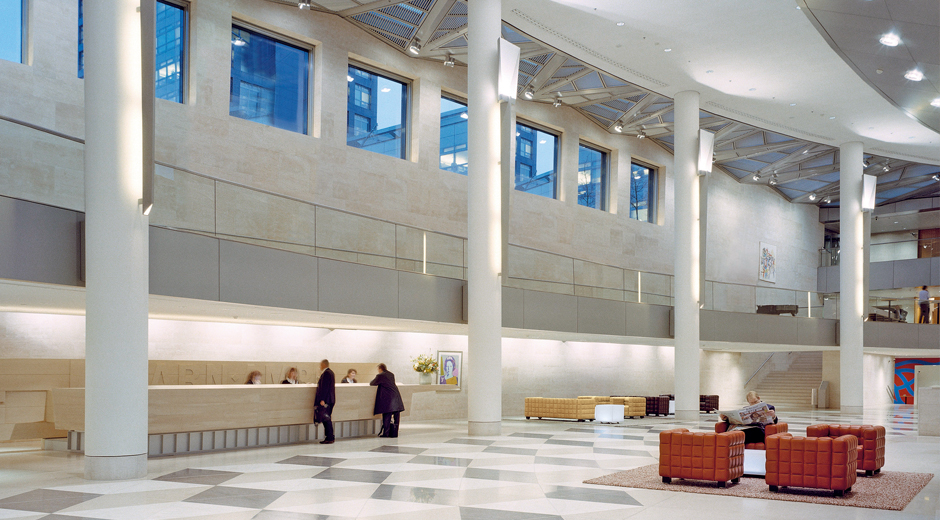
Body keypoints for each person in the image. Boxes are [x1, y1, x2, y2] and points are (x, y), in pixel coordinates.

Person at [370, 363, 404, 438]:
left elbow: (372, 383)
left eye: (378, 369)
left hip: (388, 398)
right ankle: (395, 433)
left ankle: (386, 433)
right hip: (396, 396)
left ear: (380, 368)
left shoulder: (380, 375)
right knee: (396, 416)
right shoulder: (391, 374)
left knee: (387, 415)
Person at [315, 359, 336, 444]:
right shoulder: (331, 372)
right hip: (330, 399)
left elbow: (325, 387)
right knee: (327, 418)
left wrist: (322, 399)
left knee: (326, 419)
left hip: (326, 400)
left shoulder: (326, 373)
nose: (320, 366)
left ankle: (329, 437)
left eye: (321, 364)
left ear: (324, 365)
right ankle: (330, 437)